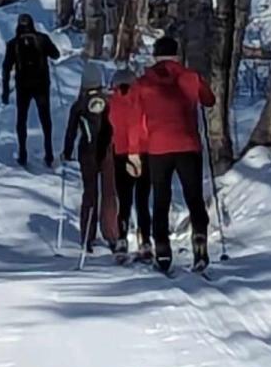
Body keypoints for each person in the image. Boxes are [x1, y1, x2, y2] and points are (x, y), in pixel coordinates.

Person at [126, 36, 215, 273]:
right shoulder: (190, 77)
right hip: (188, 145)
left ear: (155, 56)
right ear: (177, 55)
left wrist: (134, 152)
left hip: (158, 148)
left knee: (161, 200)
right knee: (194, 197)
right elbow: (209, 100)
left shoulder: (143, 83)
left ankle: (163, 251)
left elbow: (135, 120)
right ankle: (200, 245)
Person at [62, 64, 118, 254]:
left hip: (87, 152)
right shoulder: (109, 101)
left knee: (90, 193)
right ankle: (111, 234)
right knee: (109, 193)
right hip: (108, 152)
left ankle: (87, 235)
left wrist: (66, 153)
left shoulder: (79, 104)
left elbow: (71, 131)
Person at [1, 13, 60, 167]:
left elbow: (6, 68)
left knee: (22, 119)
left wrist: (5, 91)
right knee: (45, 119)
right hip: (41, 85)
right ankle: (49, 154)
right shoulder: (42, 39)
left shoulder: (13, 44)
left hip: (23, 86)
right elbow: (56, 55)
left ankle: (22, 154)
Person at [108, 68, 152, 262]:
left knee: (124, 200)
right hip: (145, 153)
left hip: (121, 154)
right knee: (143, 200)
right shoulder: (143, 101)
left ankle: (122, 239)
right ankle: (145, 241)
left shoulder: (112, 103)